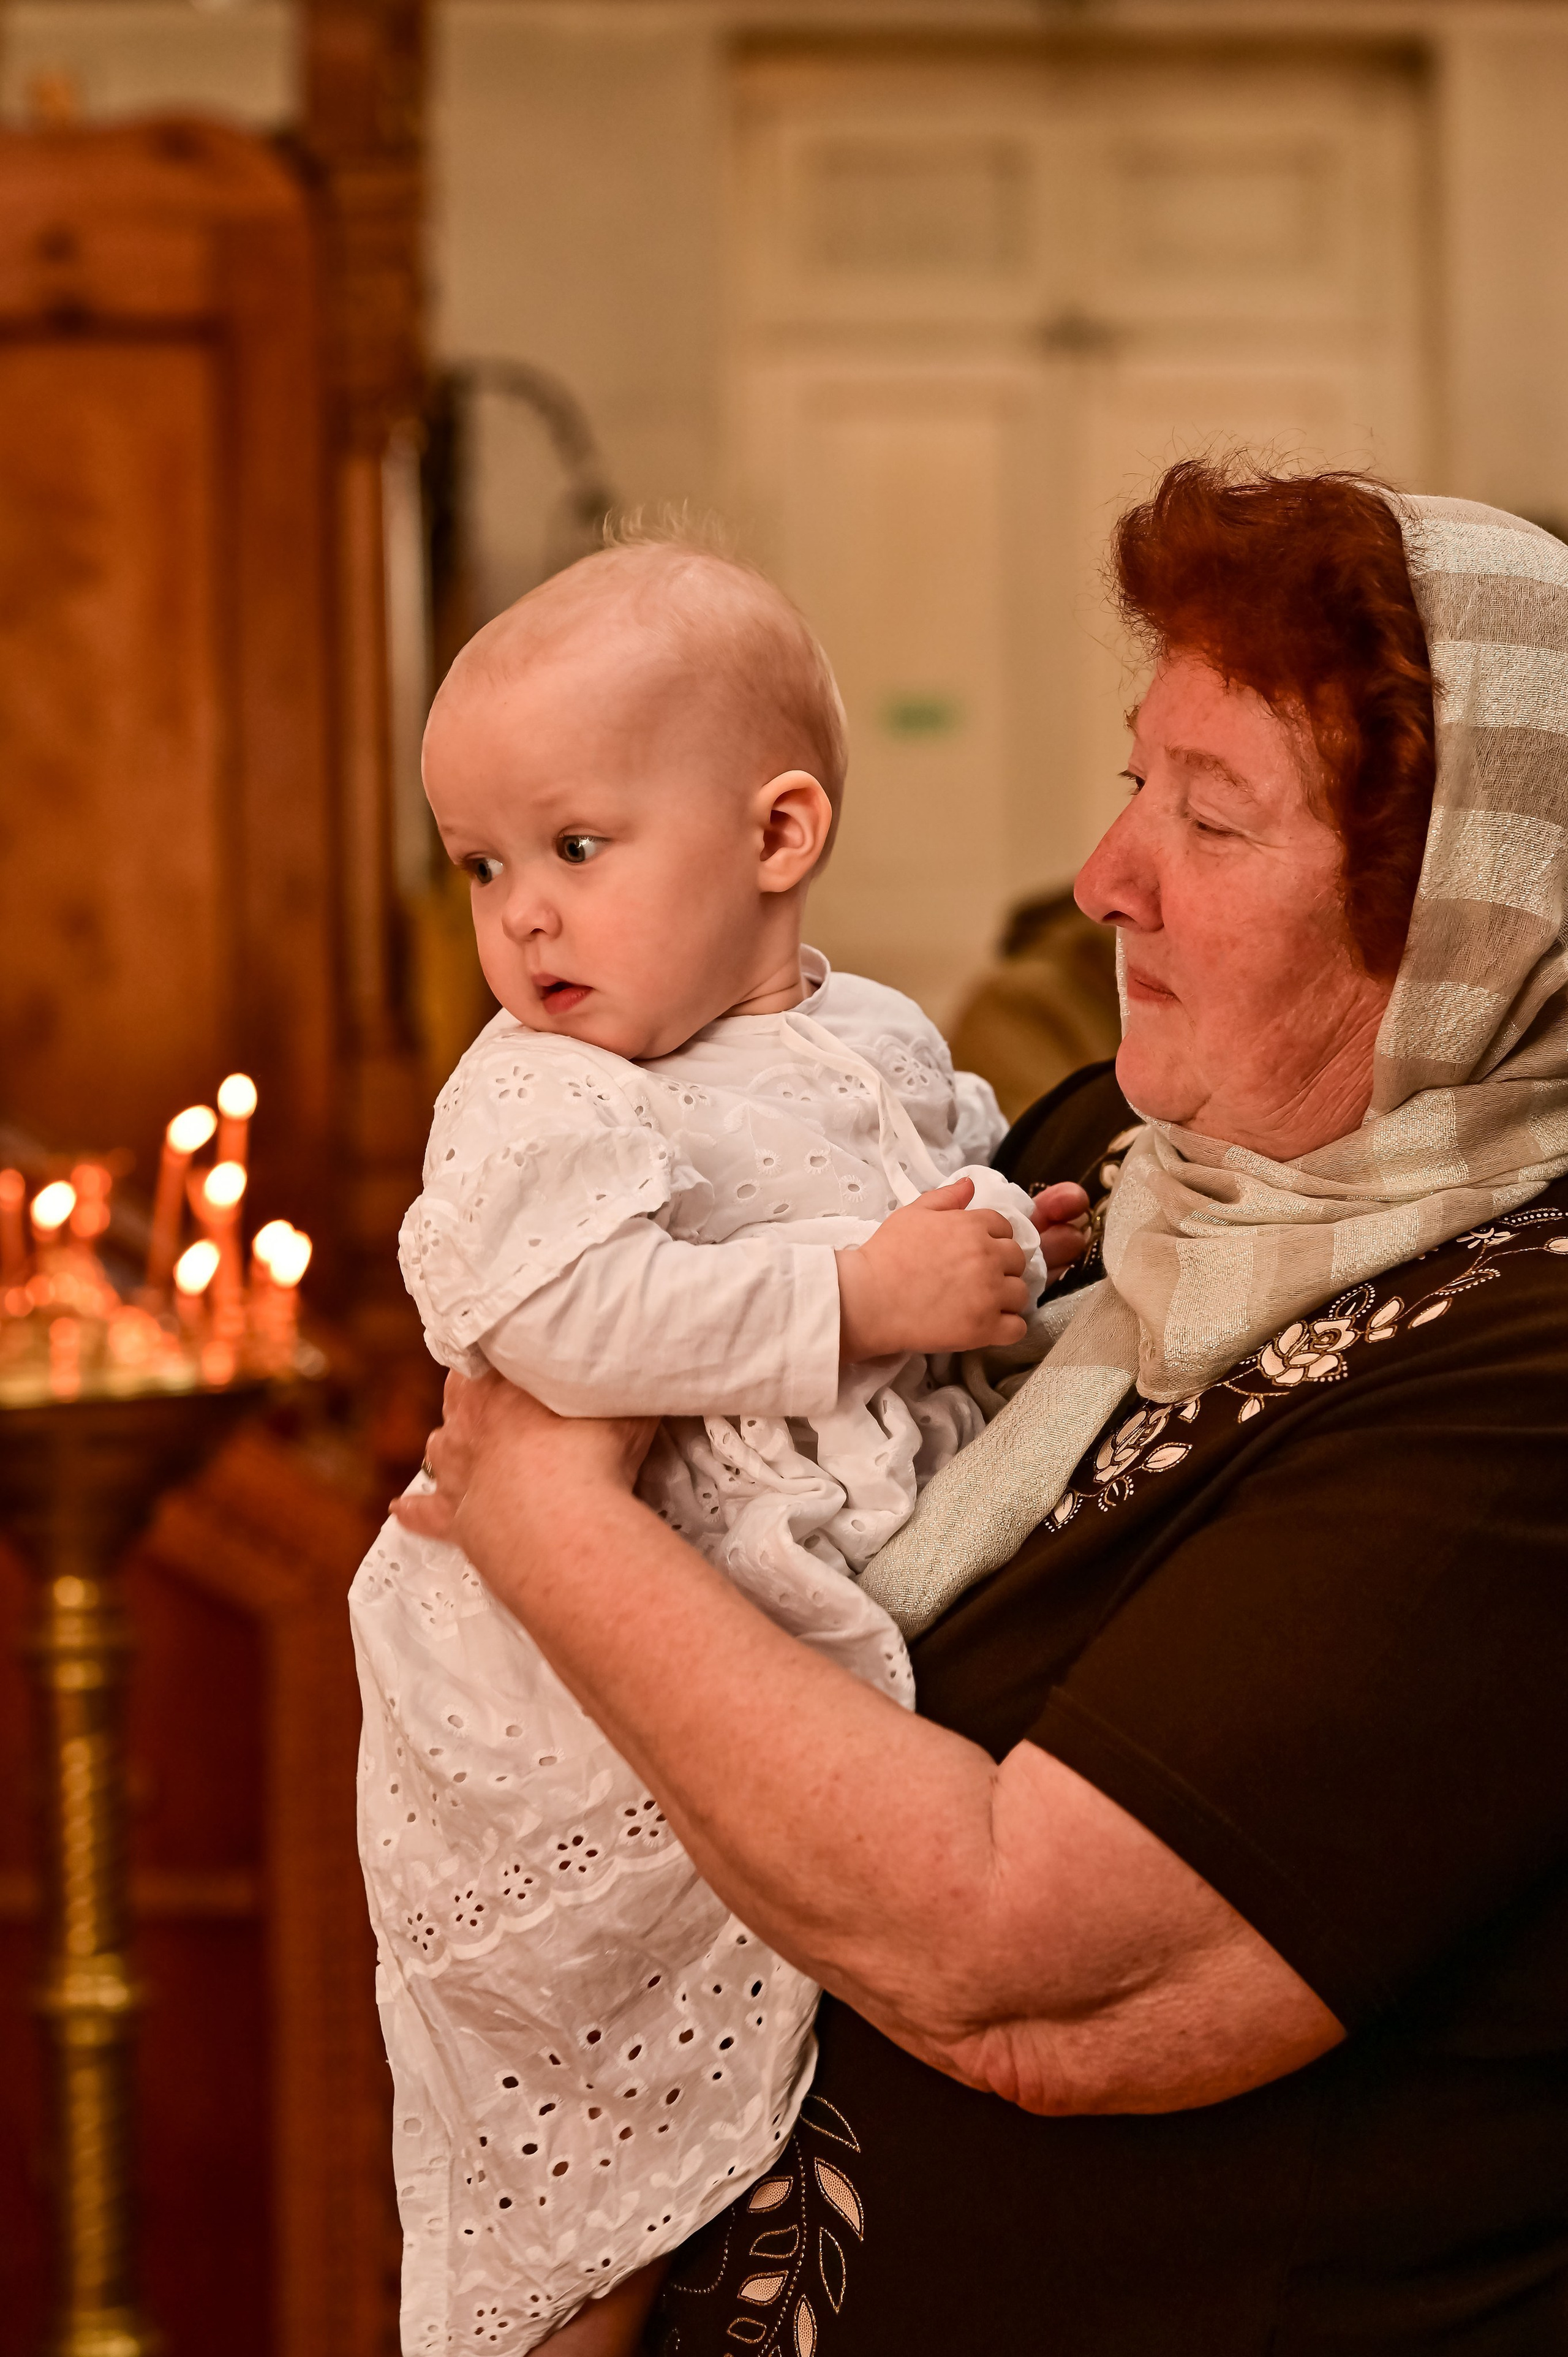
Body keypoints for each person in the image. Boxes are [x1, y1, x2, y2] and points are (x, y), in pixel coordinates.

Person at [398, 464, 1568, 2353]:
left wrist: (546, 1519)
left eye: (1212, 816)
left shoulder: (1529, 1380)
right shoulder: (1145, 1156)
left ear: (1469, 915)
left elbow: (1028, 1973)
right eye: (1134, 783)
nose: (1110, 875)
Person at [349, 534, 1085, 2356]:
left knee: (729, 2118)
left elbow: (925, 1206)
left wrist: (1009, 1247)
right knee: (570, 2135)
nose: (521, 915)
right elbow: (558, 1330)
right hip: (546, 1701)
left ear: (778, 838)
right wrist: (861, 1299)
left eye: (574, 849)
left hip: (740, 1648)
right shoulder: (543, 1092)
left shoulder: (880, 1029)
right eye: (482, 867)